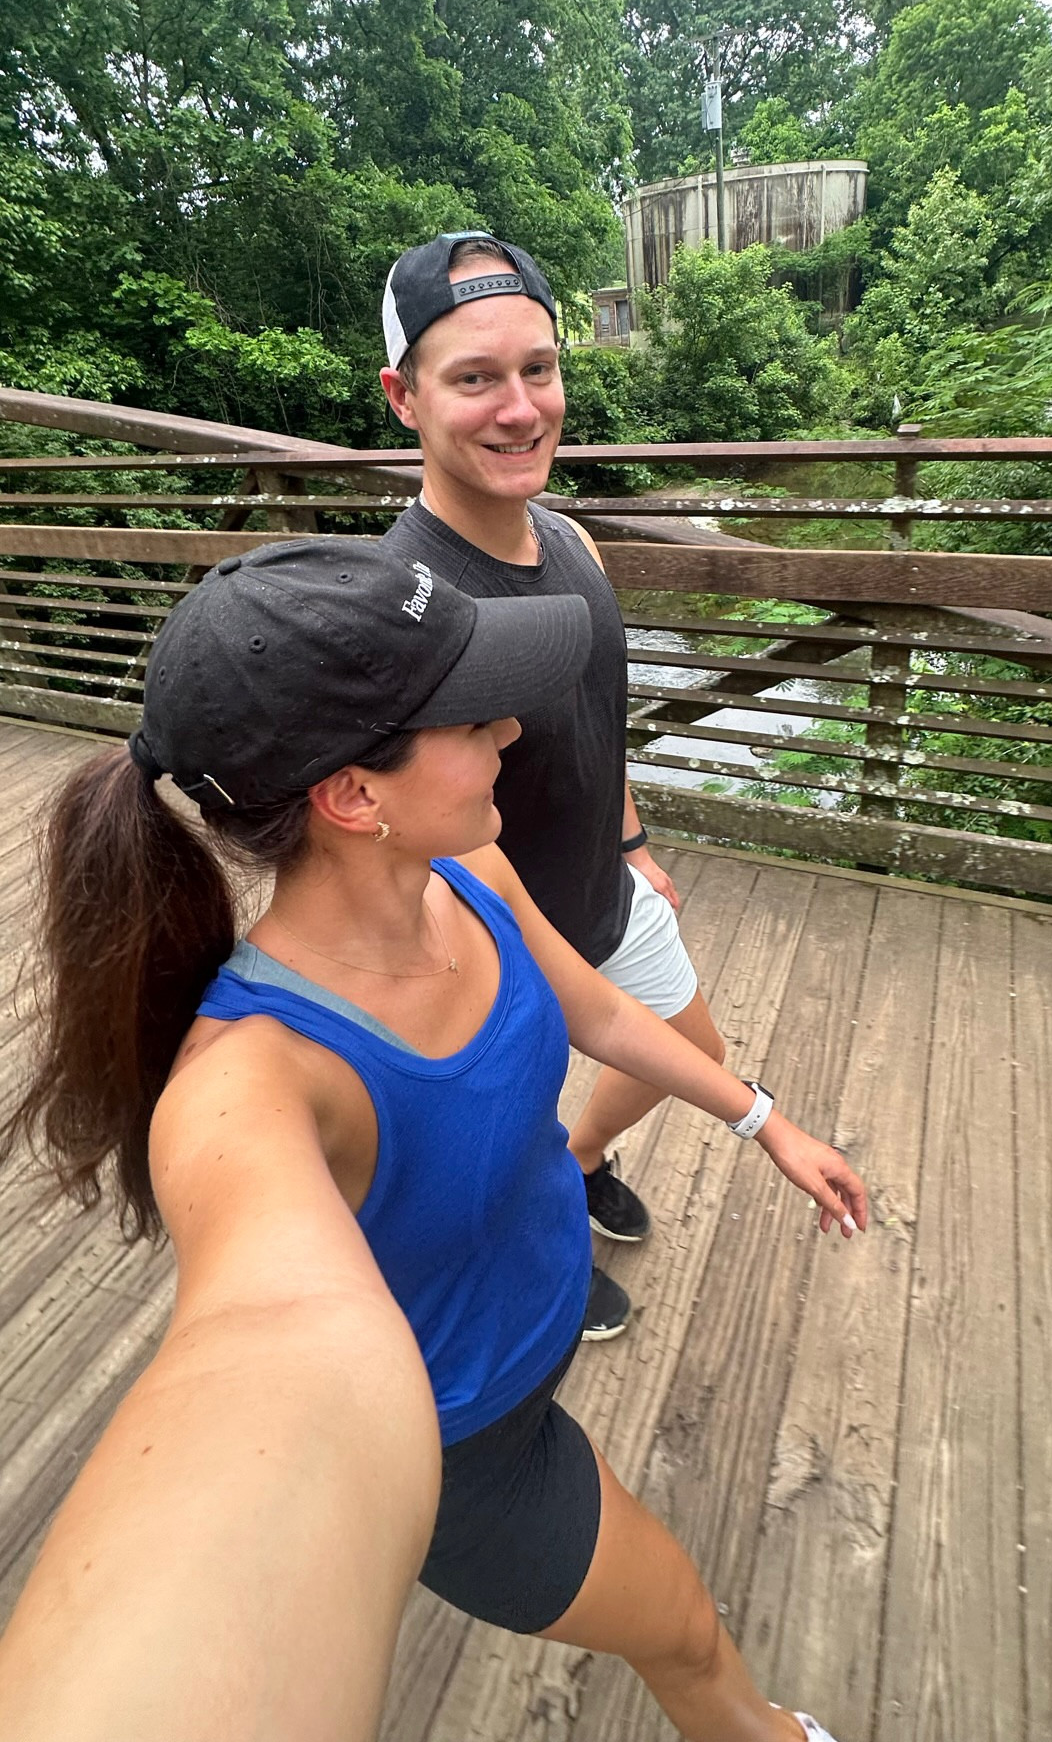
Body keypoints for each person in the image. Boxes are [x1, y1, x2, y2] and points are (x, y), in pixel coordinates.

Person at [0, 536, 865, 1742]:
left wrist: (764, 1116)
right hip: (475, 1449)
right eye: (470, 712)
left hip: (543, 1313)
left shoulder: (464, 866)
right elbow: (263, 1342)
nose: (511, 730)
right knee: (686, 1632)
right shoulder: (250, 1085)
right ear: (354, 794)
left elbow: (600, 1006)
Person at [381, 232, 724, 1340]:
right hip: (492, 948)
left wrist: (625, 839)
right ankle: (543, 1235)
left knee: (695, 1053)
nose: (520, 407)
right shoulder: (405, 606)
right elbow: (416, 840)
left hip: (599, 889)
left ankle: (578, 1163)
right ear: (404, 397)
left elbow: (596, 716)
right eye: (474, 377)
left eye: (538, 368)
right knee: (506, 1140)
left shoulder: (571, 538)